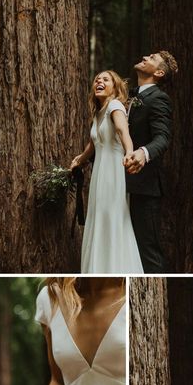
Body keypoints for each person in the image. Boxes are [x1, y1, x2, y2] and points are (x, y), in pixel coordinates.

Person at [70, 70, 143, 274]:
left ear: (115, 86)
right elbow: (94, 143)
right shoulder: (98, 112)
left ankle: (114, 268)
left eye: (105, 79)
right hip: (99, 173)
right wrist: (80, 160)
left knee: (111, 217)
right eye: (96, 80)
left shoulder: (115, 106)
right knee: (99, 218)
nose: (99, 82)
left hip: (113, 172)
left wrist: (129, 152)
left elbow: (122, 131)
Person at [125, 51, 178, 273]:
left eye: (153, 58)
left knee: (147, 251)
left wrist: (143, 153)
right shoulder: (128, 96)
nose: (146, 56)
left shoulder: (158, 99)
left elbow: (163, 137)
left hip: (144, 187)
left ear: (158, 72)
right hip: (120, 184)